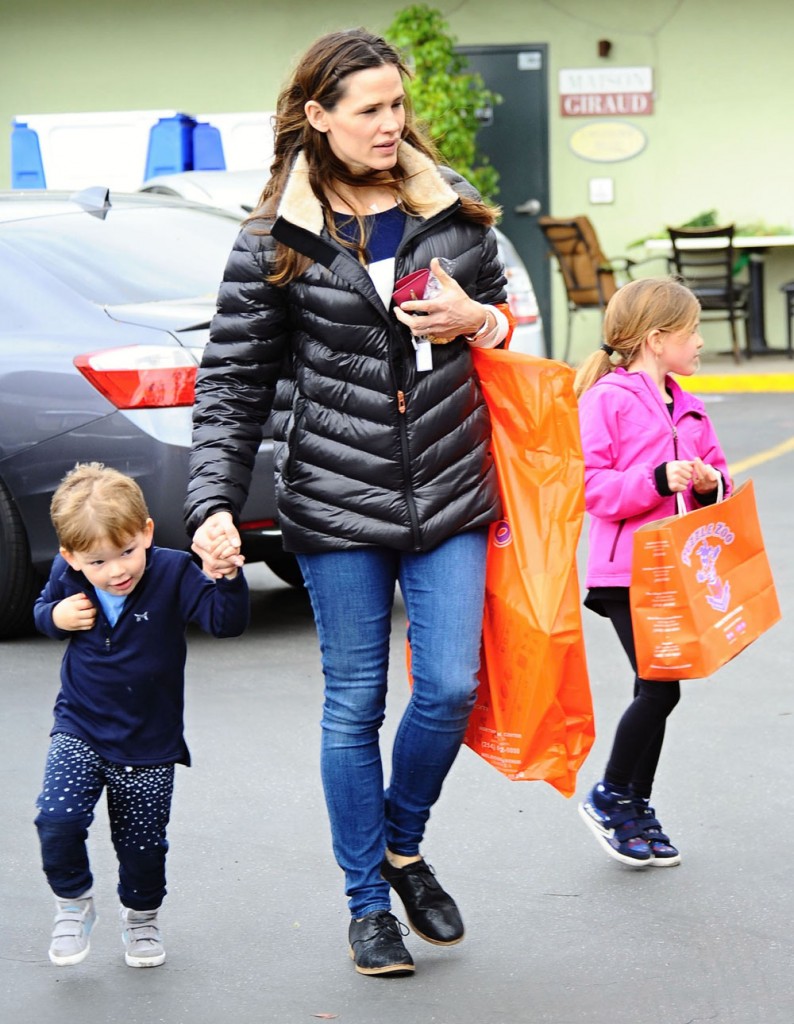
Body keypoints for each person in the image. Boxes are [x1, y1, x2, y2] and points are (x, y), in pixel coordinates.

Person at [185, 28, 513, 977]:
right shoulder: (274, 243)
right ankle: (368, 900)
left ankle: (402, 846)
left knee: (449, 686)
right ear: (317, 117)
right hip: (333, 504)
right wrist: (211, 498)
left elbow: (500, 335)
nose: (389, 124)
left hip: (449, 487)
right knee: (353, 703)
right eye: (367, 109)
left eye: (396, 105)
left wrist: (476, 319)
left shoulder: (451, 214)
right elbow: (234, 382)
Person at [34, 463, 249, 968]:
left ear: (147, 532)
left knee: (143, 846)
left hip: (148, 743)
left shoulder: (173, 572)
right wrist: (55, 617)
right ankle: (73, 902)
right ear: (71, 557)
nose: (117, 571)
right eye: (98, 561)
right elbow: (44, 612)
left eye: (128, 551)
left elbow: (225, 624)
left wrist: (228, 578)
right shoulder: (66, 575)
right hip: (80, 726)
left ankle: (142, 919)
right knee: (56, 819)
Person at [574, 278, 731, 868]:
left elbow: (717, 469)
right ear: (658, 338)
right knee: (662, 686)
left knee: (657, 688)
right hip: (626, 571)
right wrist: (657, 480)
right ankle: (612, 794)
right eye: (692, 332)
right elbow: (592, 488)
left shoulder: (688, 404)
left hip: (676, 567)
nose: (700, 343)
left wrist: (714, 482)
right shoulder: (607, 399)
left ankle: (634, 807)